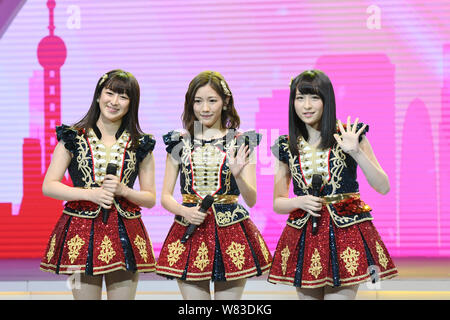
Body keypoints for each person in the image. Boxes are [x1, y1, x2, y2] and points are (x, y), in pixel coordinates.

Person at [267, 70, 398, 300]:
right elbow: (278, 203)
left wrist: (356, 152)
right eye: (299, 98)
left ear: (327, 100)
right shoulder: (286, 146)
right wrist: (299, 201)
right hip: (306, 233)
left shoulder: (349, 134)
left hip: (345, 232)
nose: (306, 105)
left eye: (314, 97)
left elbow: (383, 186)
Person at [39, 69, 157, 300]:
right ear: (98, 95)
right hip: (80, 232)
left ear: (131, 103)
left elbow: (150, 198)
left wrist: (124, 190)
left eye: (123, 97)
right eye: (109, 93)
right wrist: (90, 194)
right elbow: (49, 185)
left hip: (126, 232)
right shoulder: (73, 137)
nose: (114, 102)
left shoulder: (141, 143)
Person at [156, 71, 272, 300]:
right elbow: (165, 197)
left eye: (212, 100)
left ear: (225, 101)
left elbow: (251, 199)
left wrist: (238, 175)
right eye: (198, 101)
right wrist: (184, 211)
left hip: (231, 231)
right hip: (189, 227)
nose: (204, 108)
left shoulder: (241, 141)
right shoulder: (179, 141)